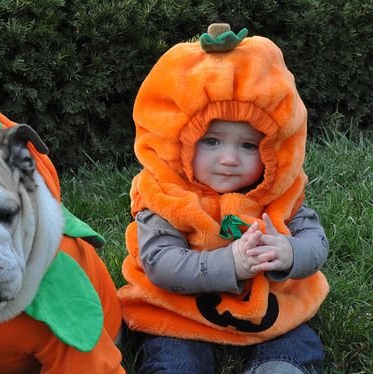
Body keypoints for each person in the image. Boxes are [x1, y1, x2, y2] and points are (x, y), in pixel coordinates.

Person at [118, 23, 329, 373]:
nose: (229, 158)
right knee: (174, 354)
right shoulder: (166, 197)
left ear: (274, 148)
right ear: (177, 140)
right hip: (181, 310)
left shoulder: (277, 193)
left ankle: (278, 366)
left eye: (248, 146)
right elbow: (161, 261)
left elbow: (315, 241)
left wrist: (290, 251)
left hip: (270, 308)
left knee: (296, 340)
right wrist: (230, 263)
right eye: (212, 141)